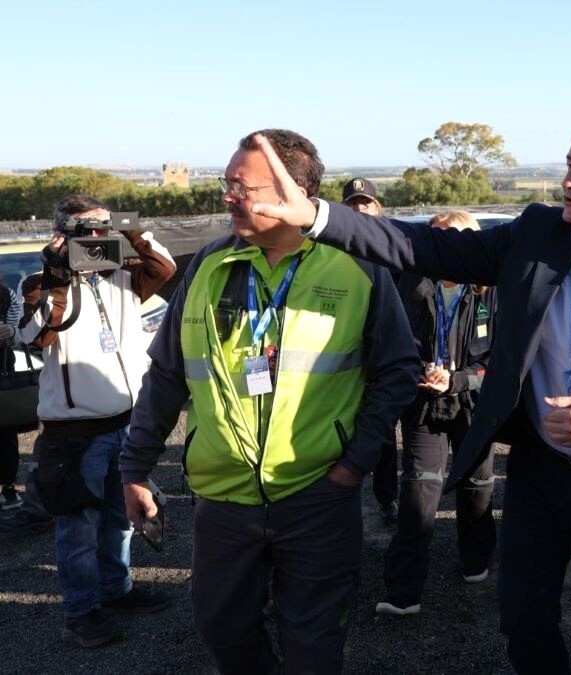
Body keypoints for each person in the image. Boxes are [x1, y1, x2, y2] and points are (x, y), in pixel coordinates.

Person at [253, 112, 571, 674]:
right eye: (567, 166)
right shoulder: (537, 234)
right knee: (524, 622)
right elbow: (421, 247)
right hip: (541, 471)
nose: (569, 182)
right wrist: (316, 216)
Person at [120, 129, 421, 673]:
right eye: (226, 183)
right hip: (223, 504)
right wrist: (136, 468)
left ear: (293, 193)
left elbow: (399, 371)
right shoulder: (208, 266)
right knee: (222, 631)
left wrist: (354, 465)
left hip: (318, 498)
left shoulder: (357, 264)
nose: (227, 196)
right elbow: (167, 374)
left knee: (314, 647)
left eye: (243, 185)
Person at [19, 194, 175, 647]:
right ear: (61, 233)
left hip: (125, 423)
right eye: (82, 230)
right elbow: (39, 335)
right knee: (78, 528)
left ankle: (117, 588)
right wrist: (57, 275)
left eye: (99, 229)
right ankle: (82, 611)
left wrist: (129, 229)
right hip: (74, 433)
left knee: (119, 519)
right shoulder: (39, 283)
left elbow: (164, 268)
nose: (93, 239)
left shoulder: (123, 276)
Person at [377, 210, 498, 616]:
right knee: (419, 489)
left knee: (477, 486)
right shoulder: (410, 282)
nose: (440, 248)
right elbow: (393, 341)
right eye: (436, 239)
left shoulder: (491, 290)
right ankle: (404, 591)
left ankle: (477, 559)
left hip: (473, 404)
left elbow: (501, 360)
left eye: (450, 239)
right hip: (423, 401)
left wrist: (459, 379)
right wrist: (417, 371)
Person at [340, 176, 400, 523]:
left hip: (387, 350)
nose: (359, 208)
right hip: (348, 350)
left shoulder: (396, 246)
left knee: (384, 429)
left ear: (378, 207)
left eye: (365, 202)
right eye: (352, 204)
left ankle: (386, 497)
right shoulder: (332, 249)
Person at [0, 277, 22, 511]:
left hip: (3, 365)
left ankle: (8, 488)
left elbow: (19, 335)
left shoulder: (6, 294)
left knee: (6, 430)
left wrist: (11, 330)